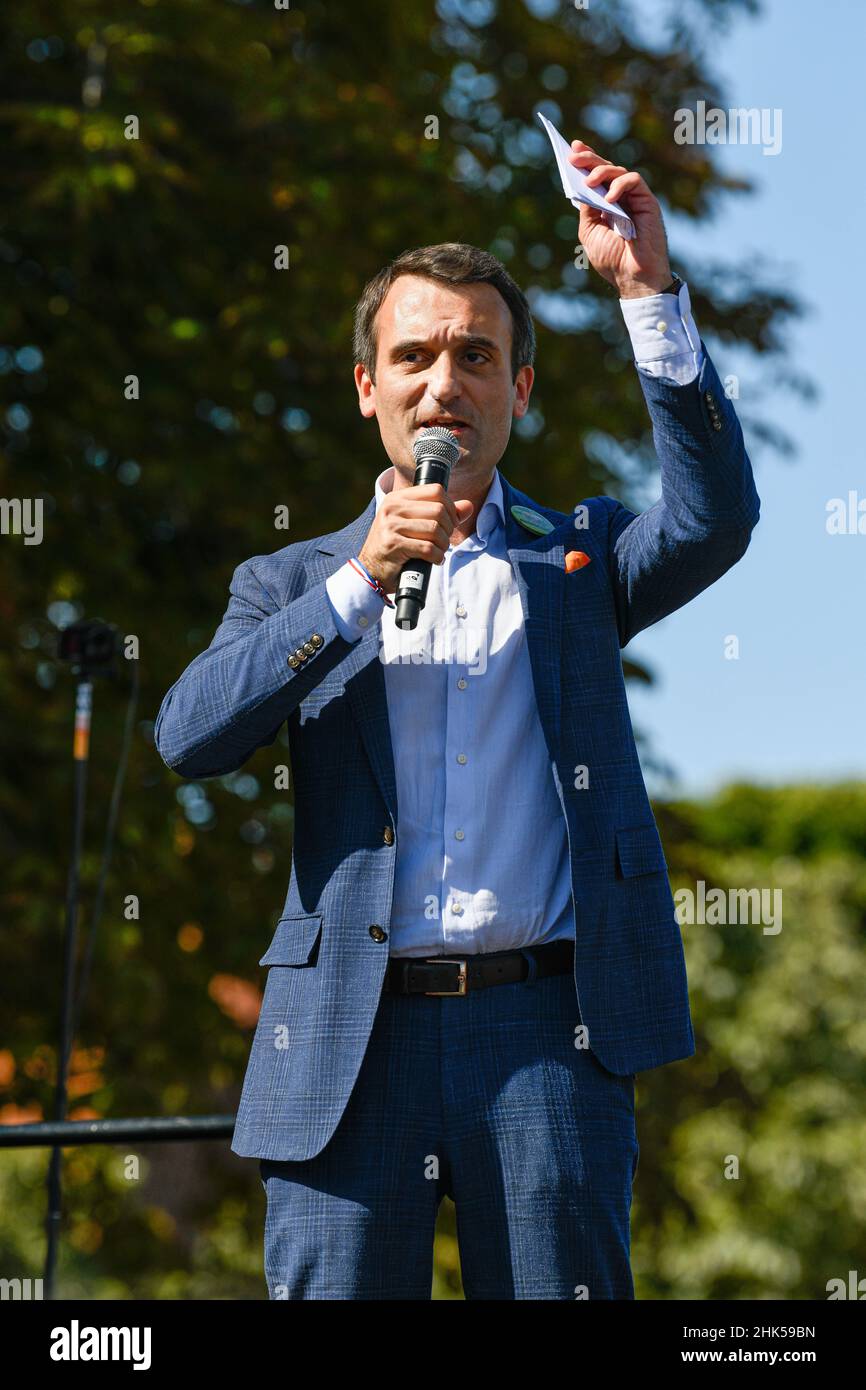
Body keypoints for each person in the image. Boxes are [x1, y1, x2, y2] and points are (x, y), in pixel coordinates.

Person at [154, 138, 759, 1299]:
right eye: (415, 355)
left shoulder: (576, 560)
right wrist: (355, 590)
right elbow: (189, 735)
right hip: (346, 1040)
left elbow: (715, 516)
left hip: (545, 1037)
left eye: (475, 356)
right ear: (367, 387)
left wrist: (646, 294)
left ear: (517, 391)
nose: (444, 382)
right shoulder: (290, 582)